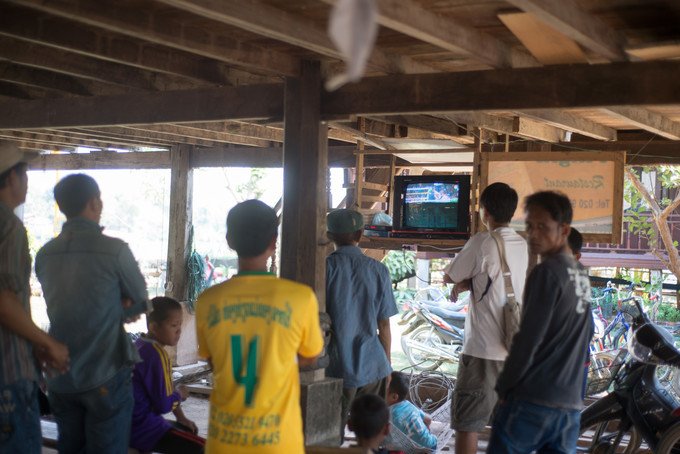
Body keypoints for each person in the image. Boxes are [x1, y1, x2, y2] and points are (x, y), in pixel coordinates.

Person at [195, 199, 324, 453]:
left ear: (230, 241)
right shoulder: (301, 298)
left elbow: (213, 360)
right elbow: (311, 356)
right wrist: (278, 360)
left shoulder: (208, 300)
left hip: (224, 443)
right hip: (279, 443)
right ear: (274, 242)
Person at [35, 173, 149, 453]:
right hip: (106, 370)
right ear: (95, 203)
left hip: (61, 375)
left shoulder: (45, 254)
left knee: (70, 447)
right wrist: (120, 306)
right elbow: (140, 302)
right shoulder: (115, 250)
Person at [487, 191, 593, 454]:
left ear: (564, 230)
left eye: (542, 227)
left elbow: (528, 339)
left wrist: (504, 386)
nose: (532, 234)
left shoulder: (546, 272)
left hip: (533, 401)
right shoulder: (580, 274)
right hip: (569, 407)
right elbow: (587, 333)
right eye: (529, 226)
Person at [442, 182, 528, 454]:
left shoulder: (482, 241)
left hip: (482, 351)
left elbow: (450, 275)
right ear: (512, 212)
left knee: (468, 424)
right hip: (515, 351)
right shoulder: (523, 245)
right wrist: (472, 283)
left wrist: (462, 281)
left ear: (485, 212)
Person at [0, 142, 69, 453]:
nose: (27, 182)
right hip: (8, 373)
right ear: (11, 178)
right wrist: (47, 343)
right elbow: (3, 302)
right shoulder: (9, 227)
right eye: (24, 174)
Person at [325, 208, 398, 439]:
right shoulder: (378, 270)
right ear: (360, 234)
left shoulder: (324, 269)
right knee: (370, 436)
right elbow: (384, 326)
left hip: (333, 366)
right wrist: (387, 365)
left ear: (329, 235)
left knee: (328, 436)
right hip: (372, 365)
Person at [130, 296, 205, 453]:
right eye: (174, 325)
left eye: (180, 325)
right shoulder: (156, 354)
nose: (179, 331)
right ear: (154, 327)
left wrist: (181, 417)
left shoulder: (140, 345)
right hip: (145, 429)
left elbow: (166, 389)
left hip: (132, 423)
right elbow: (164, 405)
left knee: (188, 429)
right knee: (206, 447)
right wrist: (180, 395)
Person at [385, 371, 437, 451]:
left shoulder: (388, 415)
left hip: (414, 451)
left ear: (394, 397)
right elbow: (428, 419)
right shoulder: (408, 405)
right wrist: (425, 429)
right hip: (432, 444)